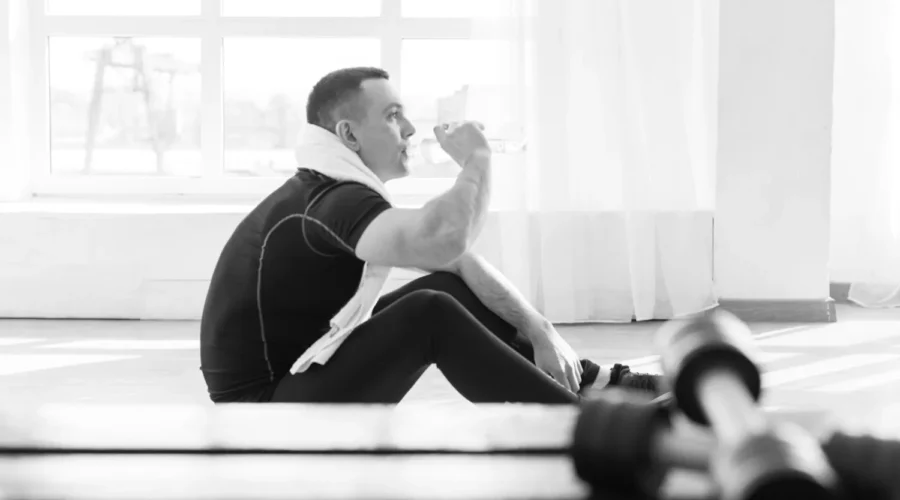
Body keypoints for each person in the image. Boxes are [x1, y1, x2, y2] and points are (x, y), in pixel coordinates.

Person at [199, 66, 664, 404]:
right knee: (429, 312)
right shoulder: (330, 203)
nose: (409, 129)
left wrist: (540, 330)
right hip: (261, 409)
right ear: (348, 134)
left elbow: (454, 260)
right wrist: (478, 161)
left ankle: (590, 381)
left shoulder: (330, 190)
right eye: (392, 115)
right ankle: (586, 427)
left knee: (444, 287)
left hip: (299, 372)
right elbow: (446, 238)